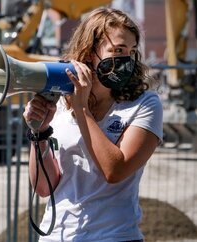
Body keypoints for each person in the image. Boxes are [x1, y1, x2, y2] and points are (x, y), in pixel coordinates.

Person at [23, 7, 163, 242]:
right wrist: (40, 133)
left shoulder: (145, 104)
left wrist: (82, 110)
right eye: (117, 50)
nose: (125, 59)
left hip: (114, 236)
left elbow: (115, 171)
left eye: (130, 51)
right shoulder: (61, 105)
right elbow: (44, 188)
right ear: (90, 53)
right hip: (57, 236)